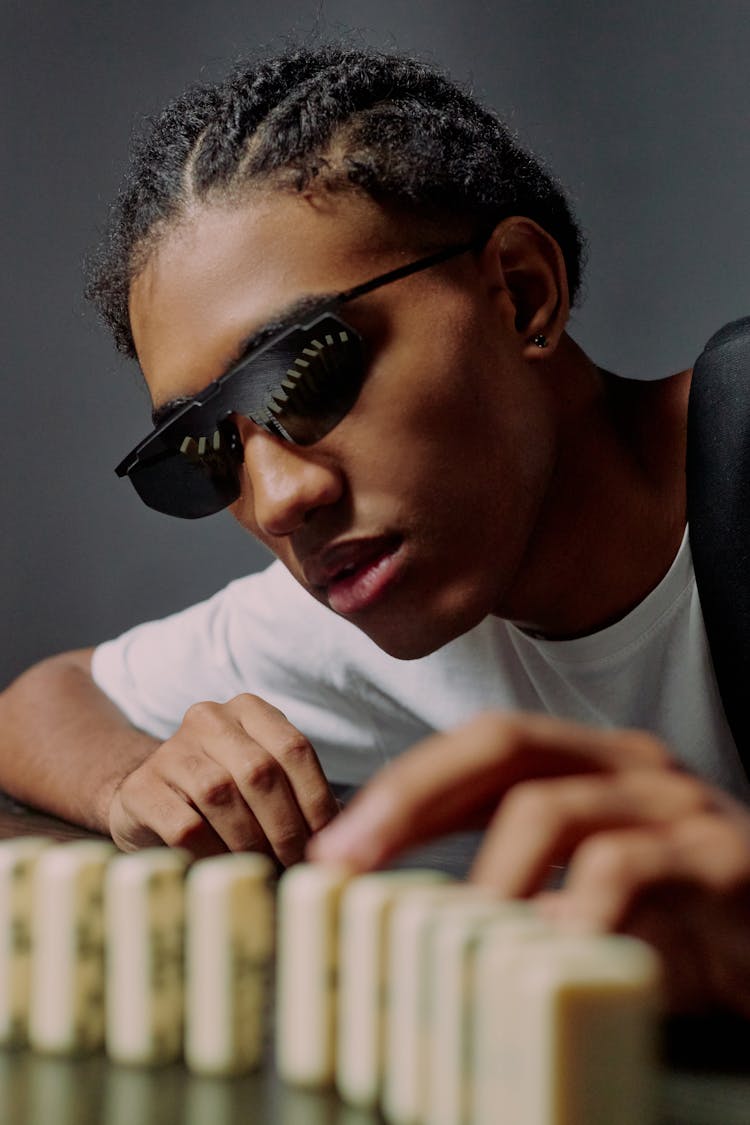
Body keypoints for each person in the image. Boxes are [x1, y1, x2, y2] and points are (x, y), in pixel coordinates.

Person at [1, 45, 749, 1016]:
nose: (276, 499)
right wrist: (135, 781)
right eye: (204, 455)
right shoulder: (371, 593)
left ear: (523, 292)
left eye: (308, 374)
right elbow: (38, 703)